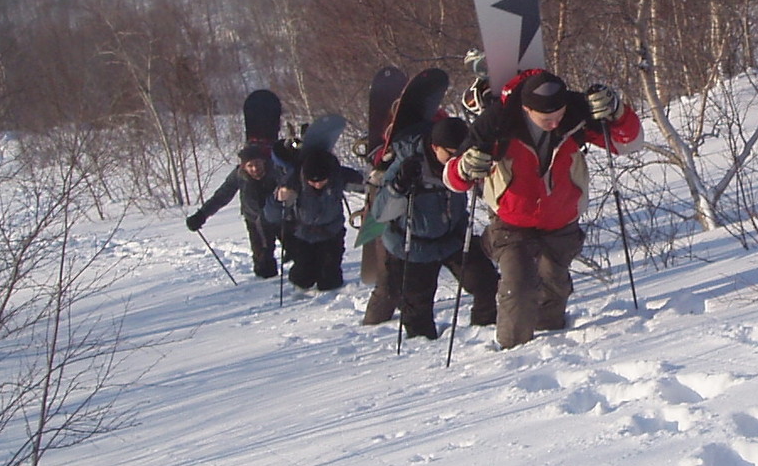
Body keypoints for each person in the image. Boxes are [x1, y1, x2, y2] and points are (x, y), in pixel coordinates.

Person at [445, 69, 641, 349]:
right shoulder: (497, 121)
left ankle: (552, 341)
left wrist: (618, 112)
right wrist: (465, 168)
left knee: (554, 284)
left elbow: (628, 143)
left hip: (560, 219)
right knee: (519, 288)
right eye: (546, 119)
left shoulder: (575, 113)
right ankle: (513, 352)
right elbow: (453, 177)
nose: (554, 124)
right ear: (526, 109)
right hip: (511, 220)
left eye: (559, 116)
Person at [373, 115, 499, 339]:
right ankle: (424, 356)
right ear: (434, 147)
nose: (456, 159)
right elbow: (381, 213)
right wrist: (399, 185)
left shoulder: (463, 162)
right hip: (412, 245)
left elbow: (488, 192)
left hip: (454, 237)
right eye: (450, 154)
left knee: (487, 283)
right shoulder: (407, 161)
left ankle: (484, 334)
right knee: (417, 315)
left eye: (460, 153)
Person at [186, 142, 291, 278]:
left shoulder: (277, 171)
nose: (254, 169)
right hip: (254, 221)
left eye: (257, 164)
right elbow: (222, 196)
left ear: (264, 162)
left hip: (280, 219)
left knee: (298, 253)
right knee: (263, 266)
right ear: (244, 166)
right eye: (250, 166)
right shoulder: (239, 175)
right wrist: (201, 215)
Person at [274, 145, 366, 292]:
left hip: (331, 232)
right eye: (313, 182)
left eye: (321, 181)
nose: (317, 185)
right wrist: (281, 194)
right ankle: (300, 271)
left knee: (330, 282)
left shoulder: (338, 175)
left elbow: (363, 182)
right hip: (303, 234)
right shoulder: (295, 178)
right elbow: (277, 198)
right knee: (303, 279)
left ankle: (327, 274)